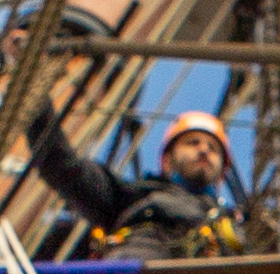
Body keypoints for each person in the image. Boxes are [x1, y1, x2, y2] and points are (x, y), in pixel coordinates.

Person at [25, 97, 245, 253]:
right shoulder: (131, 198)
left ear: (222, 174)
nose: (204, 150)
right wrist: (35, 98)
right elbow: (62, 166)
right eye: (192, 142)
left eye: (213, 148)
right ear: (167, 161)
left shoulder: (235, 225)